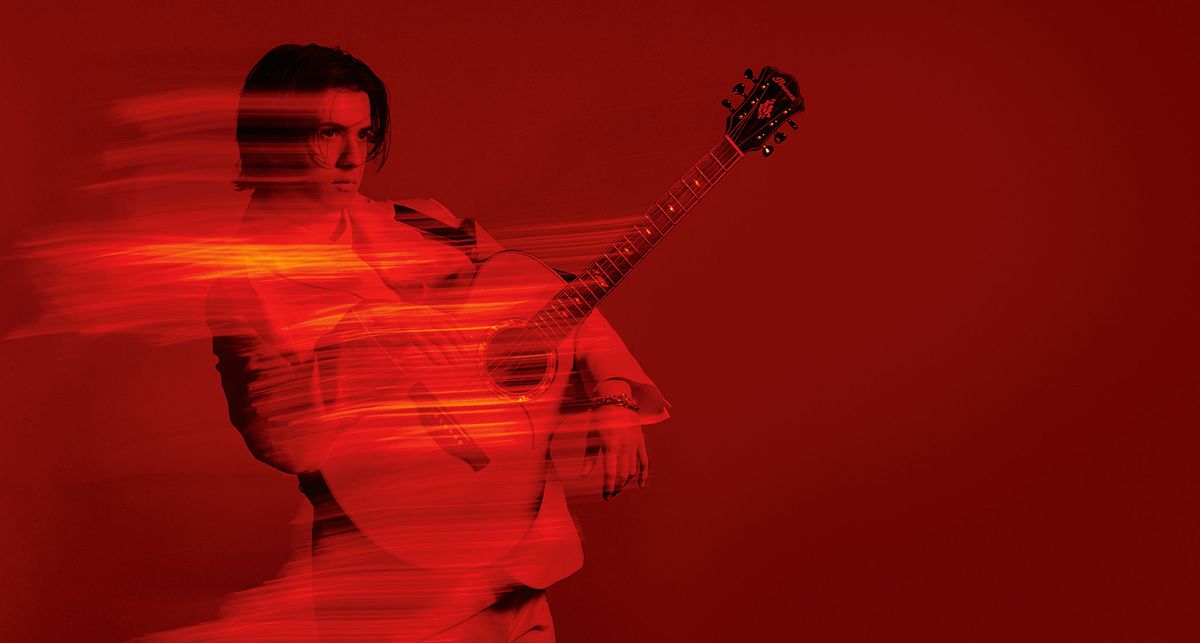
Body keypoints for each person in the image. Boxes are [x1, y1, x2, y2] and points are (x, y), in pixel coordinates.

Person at [200, 43, 669, 641]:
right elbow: (281, 439)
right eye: (327, 134)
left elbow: (546, 299)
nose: (351, 159)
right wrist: (369, 338)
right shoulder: (243, 282)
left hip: (513, 558)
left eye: (364, 135)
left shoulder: (422, 222)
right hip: (393, 587)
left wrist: (614, 395)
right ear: (273, 138)